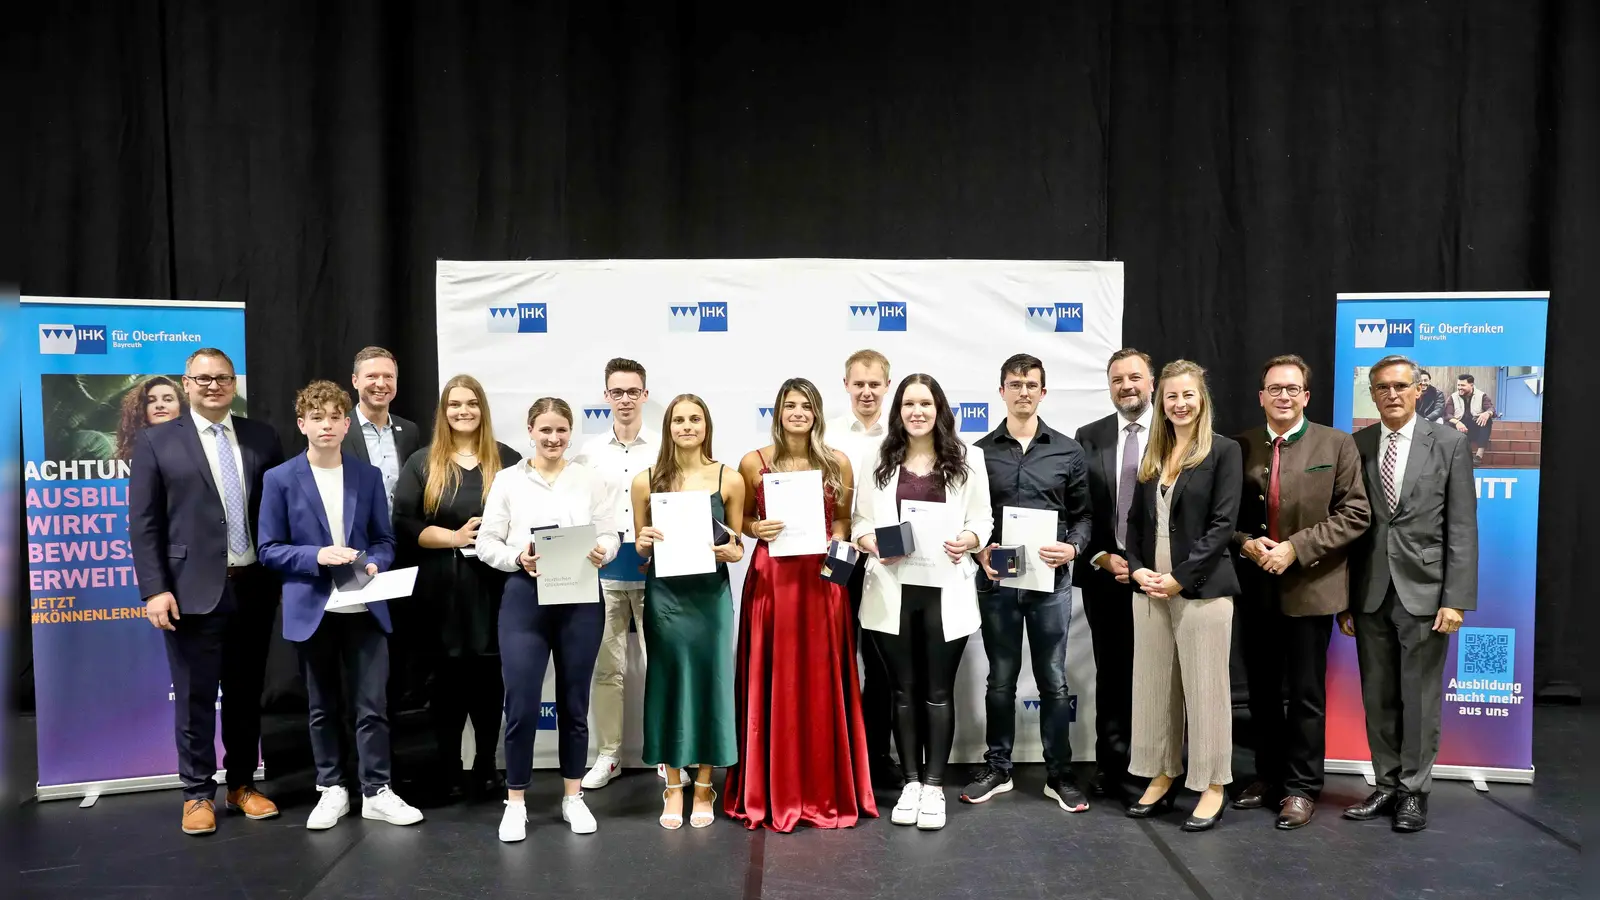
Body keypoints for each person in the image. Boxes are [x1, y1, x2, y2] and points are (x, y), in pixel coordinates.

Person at [129, 348, 284, 835]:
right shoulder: (156, 441)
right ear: (187, 383)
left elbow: (279, 509)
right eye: (204, 378)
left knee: (244, 694)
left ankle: (241, 786)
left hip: (254, 587)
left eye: (222, 378)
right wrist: (154, 590)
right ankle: (197, 794)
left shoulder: (262, 436)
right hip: (189, 592)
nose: (213, 385)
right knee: (195, 698)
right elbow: (144, 522)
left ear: (234, 383)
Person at [257, 380, 424, 831]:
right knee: (321, 707)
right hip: (313, 609)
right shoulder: (278, 479)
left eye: (334, 417)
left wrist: (374, 563)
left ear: (346, 423)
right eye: (317, 418)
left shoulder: (366, 477)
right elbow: (268, 549)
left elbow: (386, 541)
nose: (326, 425)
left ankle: (376, 790)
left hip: (365, 607)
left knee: (372, 706)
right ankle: (332, 788)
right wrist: (316, 556)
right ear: (302, 424)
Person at [725, 377, 877, 832]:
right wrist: (757, 530)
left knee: (821, 678)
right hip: (773, 579)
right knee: (773, 677)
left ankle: (826, 789)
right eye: (789, 405)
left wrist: (836, 538)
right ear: (778, 412)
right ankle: (766, 790)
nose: (797, 413)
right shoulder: (753, 462)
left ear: (817, 413)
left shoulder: (838, 463)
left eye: (806, 406)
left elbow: (846, 520)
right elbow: (741, 525)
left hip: (823, 580)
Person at [1230, 355, 1370, 829]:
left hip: (1312, 588)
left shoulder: (1337, 443)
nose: (1283, 396)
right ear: (1262, 396)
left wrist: (1295, 548)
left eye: (1292, 389)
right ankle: (1267, 777)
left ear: (1306, 396)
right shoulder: (1240, 446)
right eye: (1274, 389)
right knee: (1263, 694)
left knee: (1306, 695)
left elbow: (1355, 514)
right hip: (1255, 589)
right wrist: (1246, 545)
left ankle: (1302, 788)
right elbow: (1222, 521)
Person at [1341, 355, 1476, 833]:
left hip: (1426, 593)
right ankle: (1386, 783)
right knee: (1377, 696)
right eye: (1382, 387)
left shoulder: (1450, 443)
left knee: (1418, 699)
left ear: (1419, 390)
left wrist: (1455, 599)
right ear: (1373, 394)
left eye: (1401, 386)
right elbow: (1350, 528)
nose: (1392, 394)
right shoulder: (1356, 445)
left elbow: (1461, 527)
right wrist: (1344, 600)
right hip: (1369, 593)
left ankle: (1414, 793)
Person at [852, 374, 993, 832]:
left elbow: (982, 518)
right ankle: (910, 783)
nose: (917, 411)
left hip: (945, 589)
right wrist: (873, 542)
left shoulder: (968, 457)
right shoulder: (878, 458)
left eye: (925, 404)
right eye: (909, 403)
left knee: (937, 691)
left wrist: (971, 538)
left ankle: (934, 786)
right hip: (891, 589)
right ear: (899, 411)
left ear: (939, 409)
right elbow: (860, 522)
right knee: (901, 692)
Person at [476, 398, 618, 840]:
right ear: (530, 430)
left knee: (575, 703)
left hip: (579, 597)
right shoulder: (507, 479)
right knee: (520, 703)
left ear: (570, 432)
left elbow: (611, 532)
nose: (553, 438)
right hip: (525, 599)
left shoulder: (590, 479)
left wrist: (605, 551)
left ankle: (573, 796)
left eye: (561, 430)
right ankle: (515, 800)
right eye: (545, 430)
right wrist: (517, 557)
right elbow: (486, 543)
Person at [966, 354, 1093, 812]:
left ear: (1043, 392)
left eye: (1031, 384)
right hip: (998, 582)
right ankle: (997, 767)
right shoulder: (978, 453)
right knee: (1000, 679)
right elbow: (974, 518)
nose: (1023, 391)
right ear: (1001, 390)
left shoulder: (1067, 450)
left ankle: (1058, 774)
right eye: (1014, 384)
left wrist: (1074, 548)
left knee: (1053, 681)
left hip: (1050, 583)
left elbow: (1083, 516)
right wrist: (981, 549)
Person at [1124, 360, 1241, 832]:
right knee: (1153, 690)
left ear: (1202, 399)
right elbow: (1132, 527)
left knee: (1206, 691)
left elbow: (1222, 527)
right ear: (1161, 401)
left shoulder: (1224, 451)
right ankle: (1162, 771)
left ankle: (1213, 784)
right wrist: (1137, 571)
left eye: (1187, 395)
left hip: (1202, 593)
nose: (1179, 404)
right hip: (1150, 591)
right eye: (1171, 396)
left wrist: (1181, 577)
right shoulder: (1152, 458)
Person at [392, 375, 520, 801]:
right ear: (443, 412)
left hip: (496, 589)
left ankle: (486, 768)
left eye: (471, 403)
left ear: (483, 409)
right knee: (445, 688)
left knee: (489, 686)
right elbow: (404, 525)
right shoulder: (422, 462)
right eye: (454, 404)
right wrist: (454, 538)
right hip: (441, 592)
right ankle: (447, 770)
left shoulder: (508, 460)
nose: (463, 411)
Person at [632, 395, 746, 830]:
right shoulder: (645, 481)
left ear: (706, 425)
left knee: (710, 685)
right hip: (665, 597)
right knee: (667, 685)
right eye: (678, 419)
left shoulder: (730, 479)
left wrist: (732, 549)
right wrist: (642, 543)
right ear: (668, 427)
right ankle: (673, 785)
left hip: (710, 598)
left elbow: (737, 546)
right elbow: (642, 546)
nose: (686, 426)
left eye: (694, 418)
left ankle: (704, 785)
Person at [1072, 348, 1155, 807]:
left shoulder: (1174, 431)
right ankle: (1110, 765)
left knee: (1159, 677)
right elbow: (1080, 509)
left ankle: (1158, 766)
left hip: (1161, 580)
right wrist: (1102, 556)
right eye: (1118, 379)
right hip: (1106, 576)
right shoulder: (1089, 437)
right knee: (1113, 675)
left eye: (1135, 377)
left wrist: (1151, 566)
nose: (1127, 385)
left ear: (1152, 382)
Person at [572, 358, 658, 791]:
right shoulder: (587, 453)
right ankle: (608, 755)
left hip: (654, 572)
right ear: (606, 396)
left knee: (659, 665)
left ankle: (666, 754)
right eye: (617, 392)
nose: (625, 399)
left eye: (633, 391)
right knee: (606, 670)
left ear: (645, 394)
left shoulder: (663, 447)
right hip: (602, 574)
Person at [826, 349, 898, 787]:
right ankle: (837, 755)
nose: (867, 391)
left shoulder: (905, 432)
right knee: (834, 657)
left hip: (889, 556)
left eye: (875, 384)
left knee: (881, 662)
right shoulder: (828, 434)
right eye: (859, 383)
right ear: (846, 385)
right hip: (838, 556)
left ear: (887, 386)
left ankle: (876, 756)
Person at [115, 375, 184, 460]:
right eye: (151, 401)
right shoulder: (127, 456)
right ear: (142, 408)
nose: (159, 405)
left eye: (168, 400)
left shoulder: (196, 447)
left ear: (181, 407)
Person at [1444, 373, 1496, 462]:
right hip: (1459, 428)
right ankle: (1453, 455)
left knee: (1487, 420)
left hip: (1474, 428)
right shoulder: (1453, 397)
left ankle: (1479, 456)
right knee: (1448, 423)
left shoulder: (1481, 395)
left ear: (1471, 385)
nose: (1460, 388)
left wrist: (1487, 413)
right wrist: (1457, 422)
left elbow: (1491, 409)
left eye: (1463, 385)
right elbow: (1447, 414)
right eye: (1458, 385)